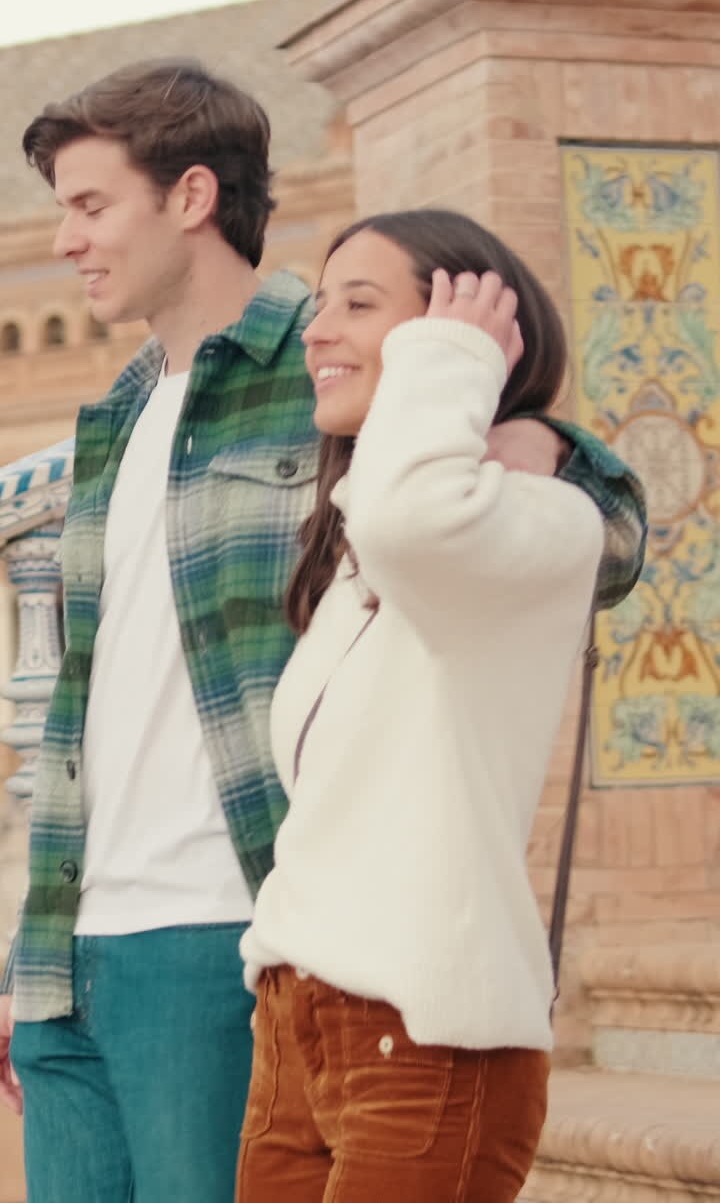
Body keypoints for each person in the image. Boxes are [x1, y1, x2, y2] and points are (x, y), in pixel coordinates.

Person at [0, 60, 644, 1203]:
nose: (66, 239)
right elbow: (84, 699)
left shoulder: (336, 363)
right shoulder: (114, 415)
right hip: (76, 954)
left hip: (226, 927)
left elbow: (600, 528)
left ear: (192, 196)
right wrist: (31, 961)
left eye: (91, 203)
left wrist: (548, 443)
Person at [235, 210, 626, 1203]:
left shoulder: (538, 517)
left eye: (360, 304)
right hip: (296, 1028)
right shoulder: (358, 558)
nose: (319, 329)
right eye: (321, 306)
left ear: (465, 330)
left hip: (427, 1039)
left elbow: (414, 518)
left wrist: (459, 362)